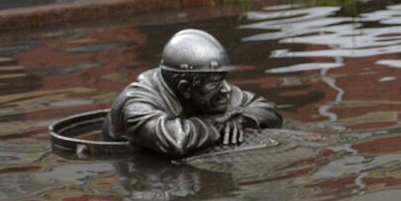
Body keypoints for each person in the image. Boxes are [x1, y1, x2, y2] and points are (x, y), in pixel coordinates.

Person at [103, 29, 282, 159]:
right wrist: (220, 123)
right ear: (185, 89)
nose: (226, 89)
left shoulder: (213, 90)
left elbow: (267, 109)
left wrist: (242, 120)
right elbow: (176, 140)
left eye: (223, 79)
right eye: (215, 83)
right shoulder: (136, 103)